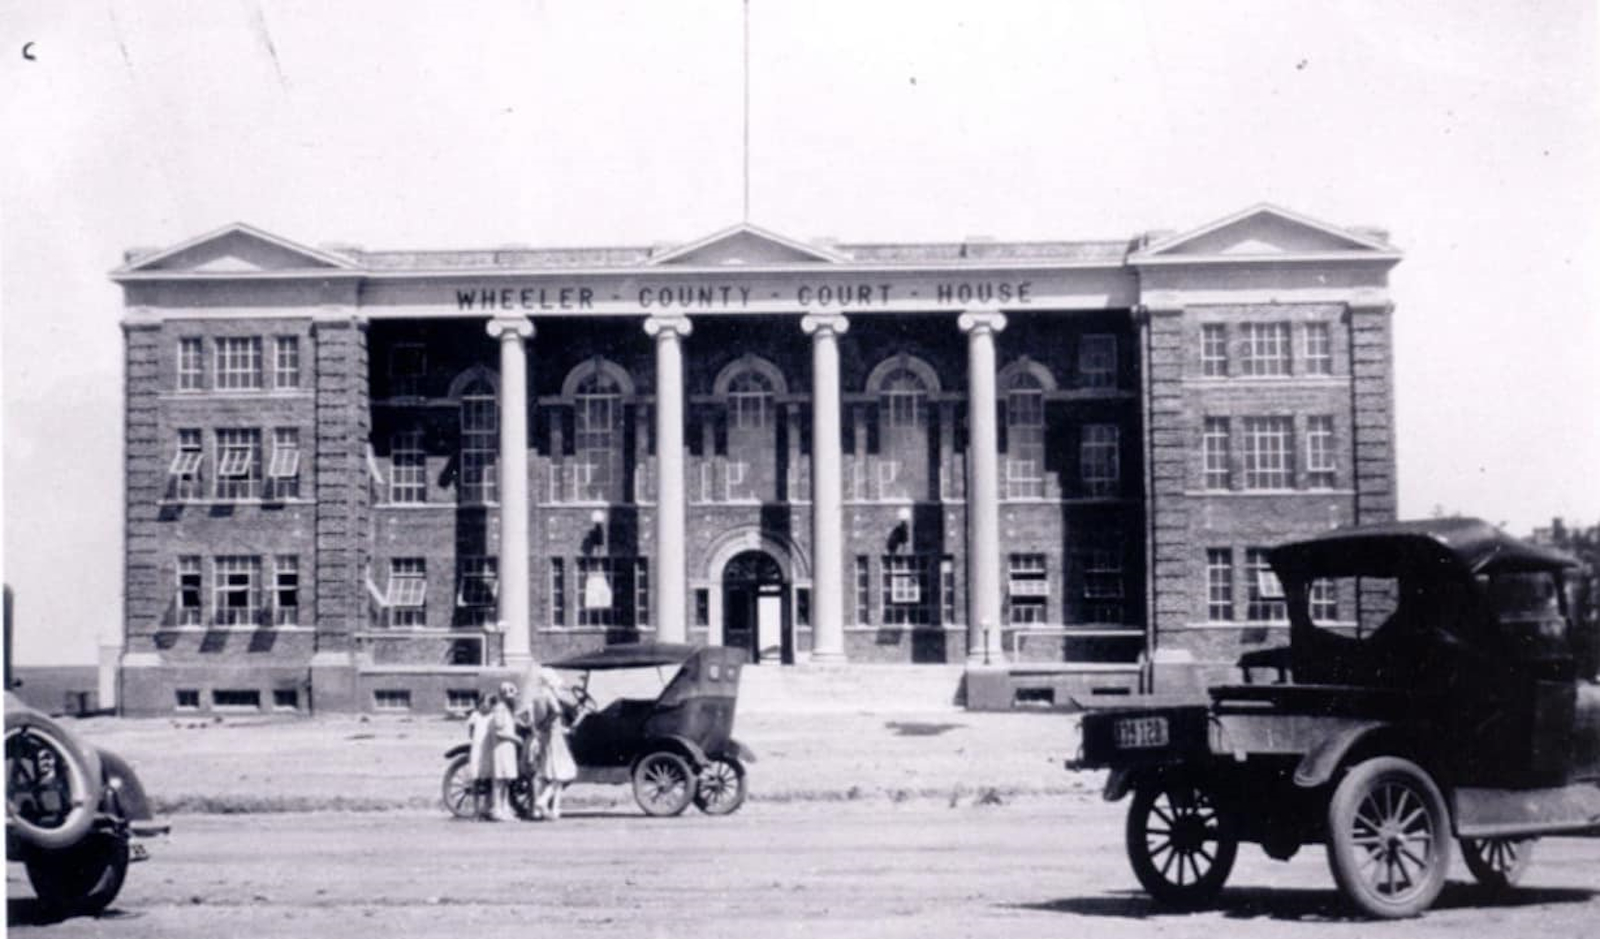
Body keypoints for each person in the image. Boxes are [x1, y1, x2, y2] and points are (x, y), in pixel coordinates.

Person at [531, 667, 579, 820]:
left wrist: (542, 728)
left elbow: (535, 719)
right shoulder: (548, 694)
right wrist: (548, 724)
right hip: (554, 737)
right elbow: (557, 712)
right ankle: (543, 800)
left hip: (545, 736)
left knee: (550, 772)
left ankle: (554, 809)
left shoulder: (536, 696)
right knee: (561, 772)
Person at [488, 682, 521, 821]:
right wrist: (514, 738)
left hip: (507, 747)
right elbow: (499, 731)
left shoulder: (507, 709)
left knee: (506, 779)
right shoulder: (500, 709)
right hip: (501, 747)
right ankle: (497, 808)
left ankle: (505, 807)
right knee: (499, 779)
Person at [464, 693, 495, 820]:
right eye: (483, 702)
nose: (485, 705)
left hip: (488, 749)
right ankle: (476, 809)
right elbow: (471, 731)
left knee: (488, 779)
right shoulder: (475, 716)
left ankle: (486, 808)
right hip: (477, 748)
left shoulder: (492, 717)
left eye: (488, 702)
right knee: (476, 779)